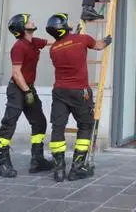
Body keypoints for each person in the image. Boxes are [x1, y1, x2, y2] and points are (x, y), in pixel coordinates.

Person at [45, 13, 112, 182]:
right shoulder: (82, 39)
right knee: (85, 125)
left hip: (60, 92)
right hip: (80, 92)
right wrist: (108, 39)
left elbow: (67, 45)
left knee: (58, 128)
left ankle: (59, 169)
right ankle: (77, 167)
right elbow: (98, 46)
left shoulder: (53, 49)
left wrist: (72, 35)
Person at [0, 13, 55, 178]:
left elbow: (53, 41)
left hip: (28, 88)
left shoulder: (33, 42)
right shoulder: (18, 47)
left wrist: (70, 36)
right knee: (9, 123)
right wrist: (26, 91)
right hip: (17, 89)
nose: (32, 20)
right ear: (22, 27)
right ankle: (3, 163)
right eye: (28, 20)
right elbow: (16, 73)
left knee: (39, 122)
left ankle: (37, 160)